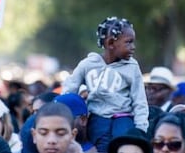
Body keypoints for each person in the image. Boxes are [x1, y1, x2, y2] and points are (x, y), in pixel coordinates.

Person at [62, 17, 149, 152]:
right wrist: (69, 115)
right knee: (102, 147)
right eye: (128, 42)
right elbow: (70, 89)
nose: (133, 47)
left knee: (123, 146)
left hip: (123, 117)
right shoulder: (88, 64)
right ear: (110, 43)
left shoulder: (132, 67)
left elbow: (140, 100)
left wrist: (141, 129)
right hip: (97, 118)